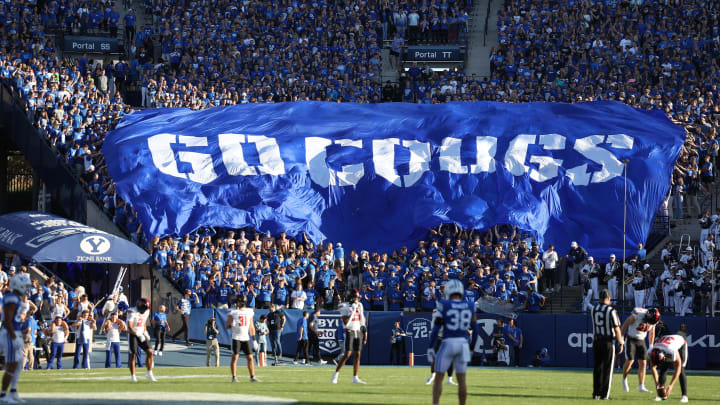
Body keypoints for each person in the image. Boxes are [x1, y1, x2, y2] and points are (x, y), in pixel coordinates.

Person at [428, 279, 479, 405]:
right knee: (462, 380)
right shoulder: (470, 305)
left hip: (448, 343)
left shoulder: (444, 305)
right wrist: (472, 347)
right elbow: (476, 330)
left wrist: (430, 346)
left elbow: (435, 330)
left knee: (439, 379)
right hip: (463, 344)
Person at [0, 273, 32, 402]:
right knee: (11, 364)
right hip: (10, 333)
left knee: (17, 364)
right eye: (25, 286)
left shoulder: (16, 298)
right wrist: (14, 337)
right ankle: (3, 395)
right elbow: (7, 320)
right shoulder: (12, 298)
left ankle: (12, 391)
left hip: (14, 332)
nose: (26, 288)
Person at [590, 289, 624, 400]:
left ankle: (596, 394)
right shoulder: (611, 310)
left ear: (599, 298)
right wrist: (621, 342)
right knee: (607, 369)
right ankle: (605, 395)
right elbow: (617, 328)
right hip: (608, 342)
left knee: (597, 368)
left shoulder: (594, 309)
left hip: (596, 341)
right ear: (609, 298)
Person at [331, 289, 367, 384]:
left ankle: (355, 377)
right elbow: (346, 323)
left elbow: (362, 319)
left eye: (357, 297)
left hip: (358, 331)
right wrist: (353, 311)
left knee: (358, 354)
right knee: (347, 354)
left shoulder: (359, 305)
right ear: (351, 297)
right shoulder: (344, 306)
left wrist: (360, 312)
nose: (357, 299)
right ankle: (335, 374)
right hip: (350, 331)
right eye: (355, 297)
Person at [620, 307, 660, 393]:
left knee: (643, 363)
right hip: (631, 338)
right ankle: (624, 378)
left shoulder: (653, 321)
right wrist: (621, 339)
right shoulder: (638, 314)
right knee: (630, 361)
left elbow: (652, 332)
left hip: (641, 340)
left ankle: (641, 386)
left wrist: (651, 346)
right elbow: (626, 323)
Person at [225, 297, 260, 382]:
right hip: (236, 337)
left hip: (246, 338)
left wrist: (254, 340)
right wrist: (231, 325)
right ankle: (234, 377)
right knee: (235, 357)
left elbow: (251, 327)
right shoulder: (233, 312)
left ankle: (252, 377)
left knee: (250, 358)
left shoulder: (249, 311)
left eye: (237, 302)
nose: (236, 304)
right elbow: (226, 326)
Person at [649, 334, 689, 403]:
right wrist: (657, 385)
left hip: (680, 343)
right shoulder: (650, 351)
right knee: (663, 368)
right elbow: (653, 367)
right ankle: (660, 396)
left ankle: (684, 396)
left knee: (681, 369)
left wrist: (671, 385)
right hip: (665, 345)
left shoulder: (671, 351)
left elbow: (678, 367)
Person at [127, 298, 156, 382]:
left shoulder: (147, 311)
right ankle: (133, 376)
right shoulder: (132, 311)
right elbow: (130, 326)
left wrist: (145, 331)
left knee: (150, 352)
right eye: (143, 309)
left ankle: (149, 373)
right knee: (133, 355)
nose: (144, 311)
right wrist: (138, 334)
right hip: (133, 335)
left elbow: (143, 322)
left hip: (141, 333)